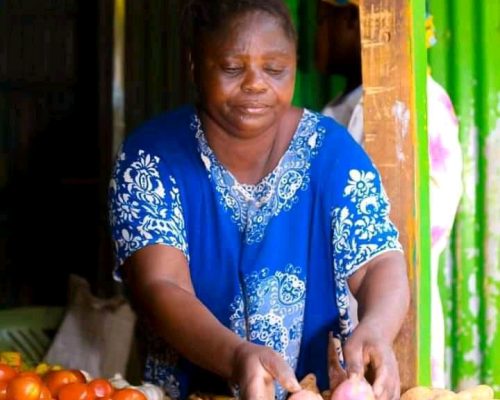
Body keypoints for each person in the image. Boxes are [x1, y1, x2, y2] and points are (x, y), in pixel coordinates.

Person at [108, 1, 410, 399]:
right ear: (194, 65)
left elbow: (377, 263)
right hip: (187, 392)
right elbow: (161, 284)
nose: (255, 84)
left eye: (275, 69)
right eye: (233, 68)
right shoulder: (151, 159)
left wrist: (376, 330)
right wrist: (237, 356)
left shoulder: (332, 153)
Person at [315, 0, 463, 388]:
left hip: (390, 320)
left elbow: (423, 225)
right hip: (341, 320)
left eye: (323, 20)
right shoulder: (338, 109)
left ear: (353, 21)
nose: (315, 37)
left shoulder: (415, 101)